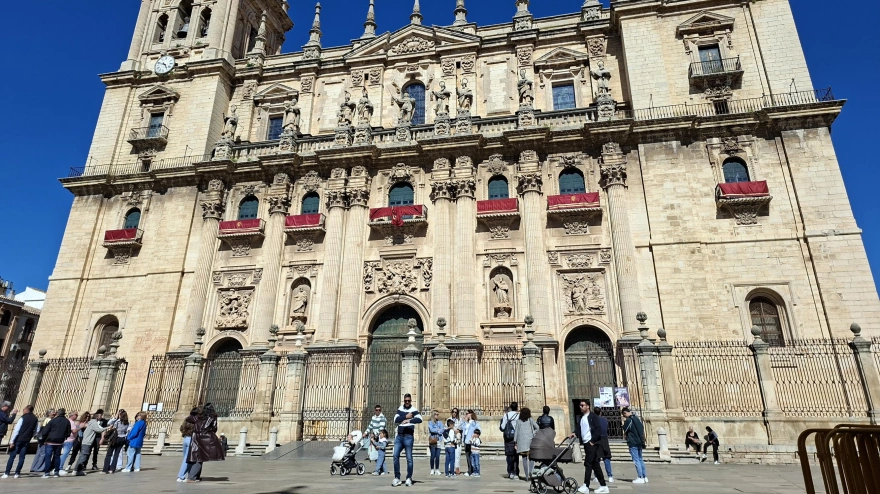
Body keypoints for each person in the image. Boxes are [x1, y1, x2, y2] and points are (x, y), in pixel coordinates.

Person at [570, 401, 608, 494]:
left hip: (592, 443)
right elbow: (579, 428)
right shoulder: (582, 418)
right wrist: (574, 433)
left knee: (588, 463)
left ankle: (586, 486)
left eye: (582, 405)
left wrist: (593, 441)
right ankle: (603, 486)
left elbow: (598, 429)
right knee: (595, 464)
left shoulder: (593, 417)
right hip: (586, 443)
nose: (580, 407)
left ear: (588, 406)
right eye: (580, 405)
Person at [186, 403, 224, 483]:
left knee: (197, 457)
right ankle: (192, 477)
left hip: (196, 437)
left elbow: (188, 419)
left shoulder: (198, 417)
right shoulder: (212, 417)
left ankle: (195, 477)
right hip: (206, 438)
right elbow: (214, 428)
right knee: (199, 458)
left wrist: (195, 412)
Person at [391, 393, 421, 487]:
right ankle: (397, 478)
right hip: (399, 437)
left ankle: (409, 478)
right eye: (405, 401)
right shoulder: (400, 408)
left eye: (408, 400)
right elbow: (396, 419)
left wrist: (409, 420)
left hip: (408, 436)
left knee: (409, 459)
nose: (407, 402)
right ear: (404, 401)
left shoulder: (413, 409)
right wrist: (405, 416)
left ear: (411, 400)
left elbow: (420, 419)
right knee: (395, 456)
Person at [3, 405, 38, 479]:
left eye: (24, 409)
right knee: (22, 457)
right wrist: (31, 436)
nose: (23, 410)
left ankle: (7, 472)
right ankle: (17, 473)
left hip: (18, 439)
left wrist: (12, 441)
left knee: (12, 457)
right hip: (26, 440)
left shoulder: (22, 418)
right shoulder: (35, 419)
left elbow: (16, 430)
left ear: (27, 410)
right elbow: (37, 430)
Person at [41, 408, 72, 478]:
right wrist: (64, 437)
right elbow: (68, 433)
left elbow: (45, 430)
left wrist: (44, 438)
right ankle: (56, 472)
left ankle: (47, 473)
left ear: (58, 413)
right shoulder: (67, 421)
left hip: (50, 441)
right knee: (57, 457)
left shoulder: (53, 420)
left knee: (48, 457)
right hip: (60, 442)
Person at [75, 412, 108, 476]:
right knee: (83, 457)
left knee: (82, 456)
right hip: (87, 442)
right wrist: (107, 428)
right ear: (97, 417)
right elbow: (98, 430)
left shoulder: (90, 423)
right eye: (100, 416)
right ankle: (77, 470)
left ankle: (77, 470)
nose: (101, 417)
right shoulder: (94, 423)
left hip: (85, 441)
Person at [622, 407, 647, 484]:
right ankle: (644, 476)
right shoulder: (636, 419)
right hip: (639, 441)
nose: (624, 416)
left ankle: (640, 477)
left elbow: (625, 429)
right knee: (640, 459)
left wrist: (623, 422)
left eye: (623, 414)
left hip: (633, 442)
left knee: (636, 460)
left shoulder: (629, 420)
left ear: (625, 413)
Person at [514, 407, 539, 480]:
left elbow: (516, 432)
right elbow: (537, 427)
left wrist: (515, 442)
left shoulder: (518, 421)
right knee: (531, 458)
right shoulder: (530, 419)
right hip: (530, 440)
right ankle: (531, 472)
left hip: (521, 442)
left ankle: (527, 476)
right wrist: (533, 433)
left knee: (524, 459)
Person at [30, 409, 55, 473]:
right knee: (43, 454)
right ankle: (39, 467)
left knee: (39, 453)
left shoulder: (44, 419)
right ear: (49, 413)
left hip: (41, 438)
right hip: (45, 439)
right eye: (52, 412)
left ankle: (34, 467)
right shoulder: (49, 420)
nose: (54, 413)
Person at [500, 402, 520, 480]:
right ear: (517, 407)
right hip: (517, 437)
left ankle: (510, 471)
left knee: (509, 455)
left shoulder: (506, 415)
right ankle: (516, 472)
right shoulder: (518, 415)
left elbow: (502, 427)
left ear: (510, 407)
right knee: (516, 455)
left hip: (508, 438)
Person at [177, 408, 198, 482]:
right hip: (191, 439)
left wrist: (185, 432)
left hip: (185, 439)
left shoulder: (187, 419)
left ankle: (186, 475)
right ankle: (181, 476)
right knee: (188, 459)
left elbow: (181, 428)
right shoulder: (196, 421)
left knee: (186, 458)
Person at [461, 410, 480, 476]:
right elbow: (461, 428)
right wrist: (463, 421)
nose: (466, 415)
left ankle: (474, 470)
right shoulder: (466, 423)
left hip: (471, 440)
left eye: (467, 413)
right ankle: (470, 470)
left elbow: (479, 430)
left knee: (472, 456)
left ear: (471, 414)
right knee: (468, 456)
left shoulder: (475, 423)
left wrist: (475, 435)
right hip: (465, 440)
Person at [596, 414, 614, 482]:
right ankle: (610, 476)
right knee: (607, 459)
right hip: (605, 440)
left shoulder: (594, 420)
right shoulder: (605, 419)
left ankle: (597, 476)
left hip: (597, 440)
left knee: (597, 459)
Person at [427, 410, 443, 475]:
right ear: (433, 415)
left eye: (438, 414)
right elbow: (431, 430)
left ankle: (437, 469)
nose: (437, 415)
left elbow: (442, 430)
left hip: (439, 440)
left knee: (437, 456)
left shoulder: (440, 422)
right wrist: (438, 430)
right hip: (433, 440)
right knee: (433, 456)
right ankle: (432, 469)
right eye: (436, 414)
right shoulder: (430, 422)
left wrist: (437, 430)